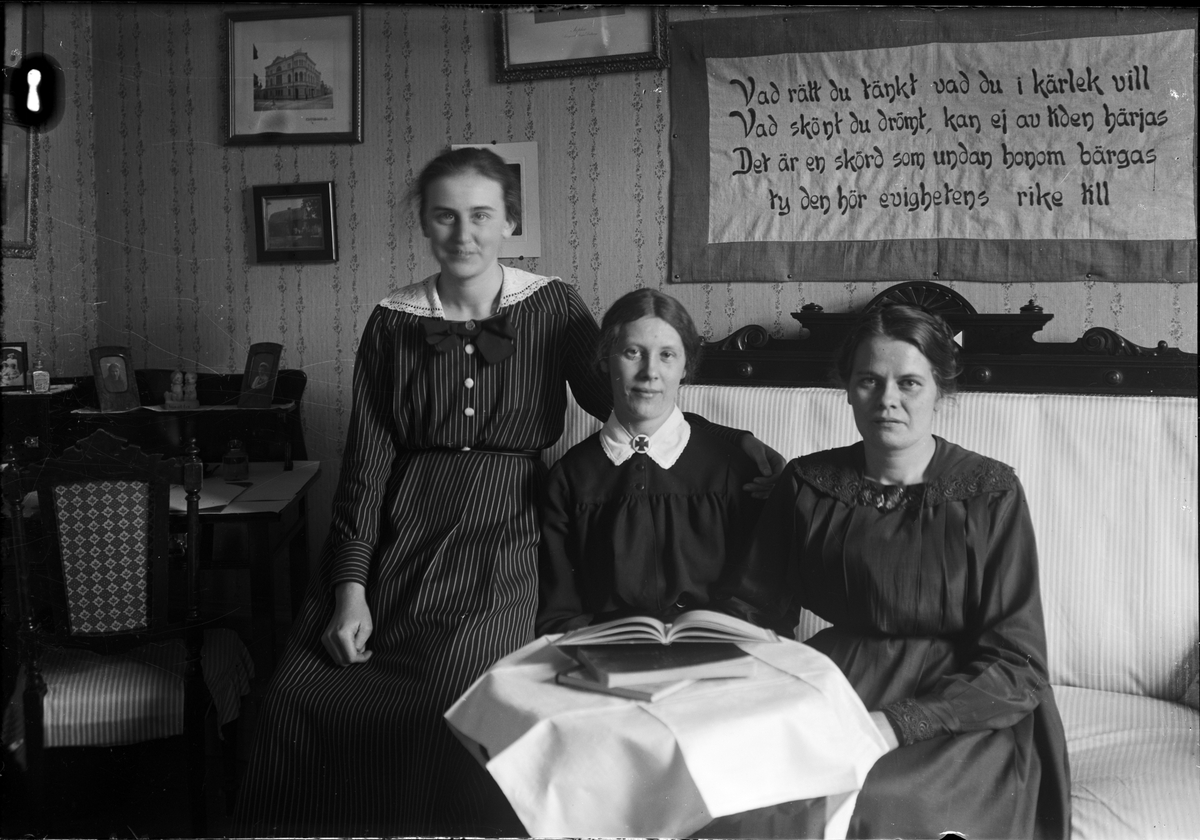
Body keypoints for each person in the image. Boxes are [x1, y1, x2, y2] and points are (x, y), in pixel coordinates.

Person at [235, 147, 782, 838]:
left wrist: (728, 445)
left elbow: (633, 399)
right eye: (445, 216)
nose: (464, 234)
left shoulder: (551, 305)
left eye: (481, 215)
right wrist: (350, 590)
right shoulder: (391, 321)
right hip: (402, 534)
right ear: (425, 223)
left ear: (508, 222)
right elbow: (366, 468)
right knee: (294, 696)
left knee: (455, 691)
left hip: (507, 530)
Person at [732, 303, 1071, 839]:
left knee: (883, 798)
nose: (887, 399)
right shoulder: (807, 482)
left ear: (940, 389)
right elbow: (752, 610)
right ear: (848, 389)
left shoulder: (991, 493)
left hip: (964, 704)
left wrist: (895, 725)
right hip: (840, 681)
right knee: (748, 786)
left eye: (909, 383)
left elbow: (1018, 662)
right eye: (869, 380)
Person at [537, 289, 764, 634]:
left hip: (714, 650)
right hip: (604, 653)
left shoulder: (731, 469)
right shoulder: (570, 478)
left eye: (667, 355)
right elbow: (560, 611)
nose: (650, 372)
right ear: (604, 359)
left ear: (685, 366)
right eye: (633, 352)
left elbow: (756, 598)